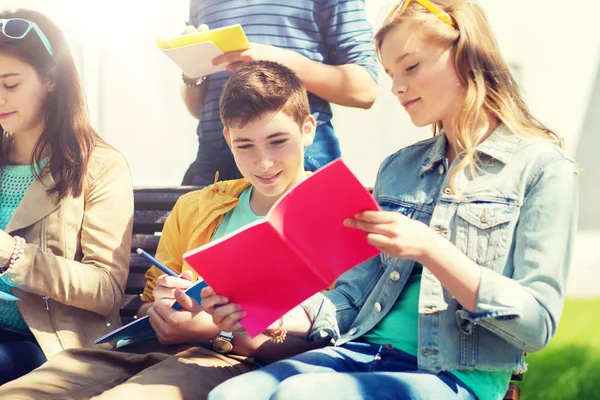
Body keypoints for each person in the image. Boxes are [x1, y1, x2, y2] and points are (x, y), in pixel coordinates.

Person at [205, 1, 579, 399]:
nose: (397, 87)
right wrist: (265, 309)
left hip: (454, 375)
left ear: (465, 53)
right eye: (390, 74)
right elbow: (350, 298)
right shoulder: (399, 169)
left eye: (411, 67)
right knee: (230, 395)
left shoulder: (542, 167)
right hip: (361, 353)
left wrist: (432, 248)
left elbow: (537, 323)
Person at [0, 60, 328, 399]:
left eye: (277, 142)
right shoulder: (197, 208)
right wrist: (163, 308)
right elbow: (145, 309)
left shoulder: (335, 215)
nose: (263, 162)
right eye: (246, 145)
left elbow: (333, 343)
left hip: (233, 362)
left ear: (307, 129)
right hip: (146, 350)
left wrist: (210, 331)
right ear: (228, 139)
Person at [0, 9, 133, 384]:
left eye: (10, 84)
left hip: (49, 346)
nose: (0, 98)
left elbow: (106, 290)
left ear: (51, 79)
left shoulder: (100, 165)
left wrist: (15, 256)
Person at [180, 0, 379, 186]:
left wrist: (275, 60)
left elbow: (365, 88)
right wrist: (192, 73)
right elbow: (198, 110)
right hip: (214, 159)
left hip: (299, 155)